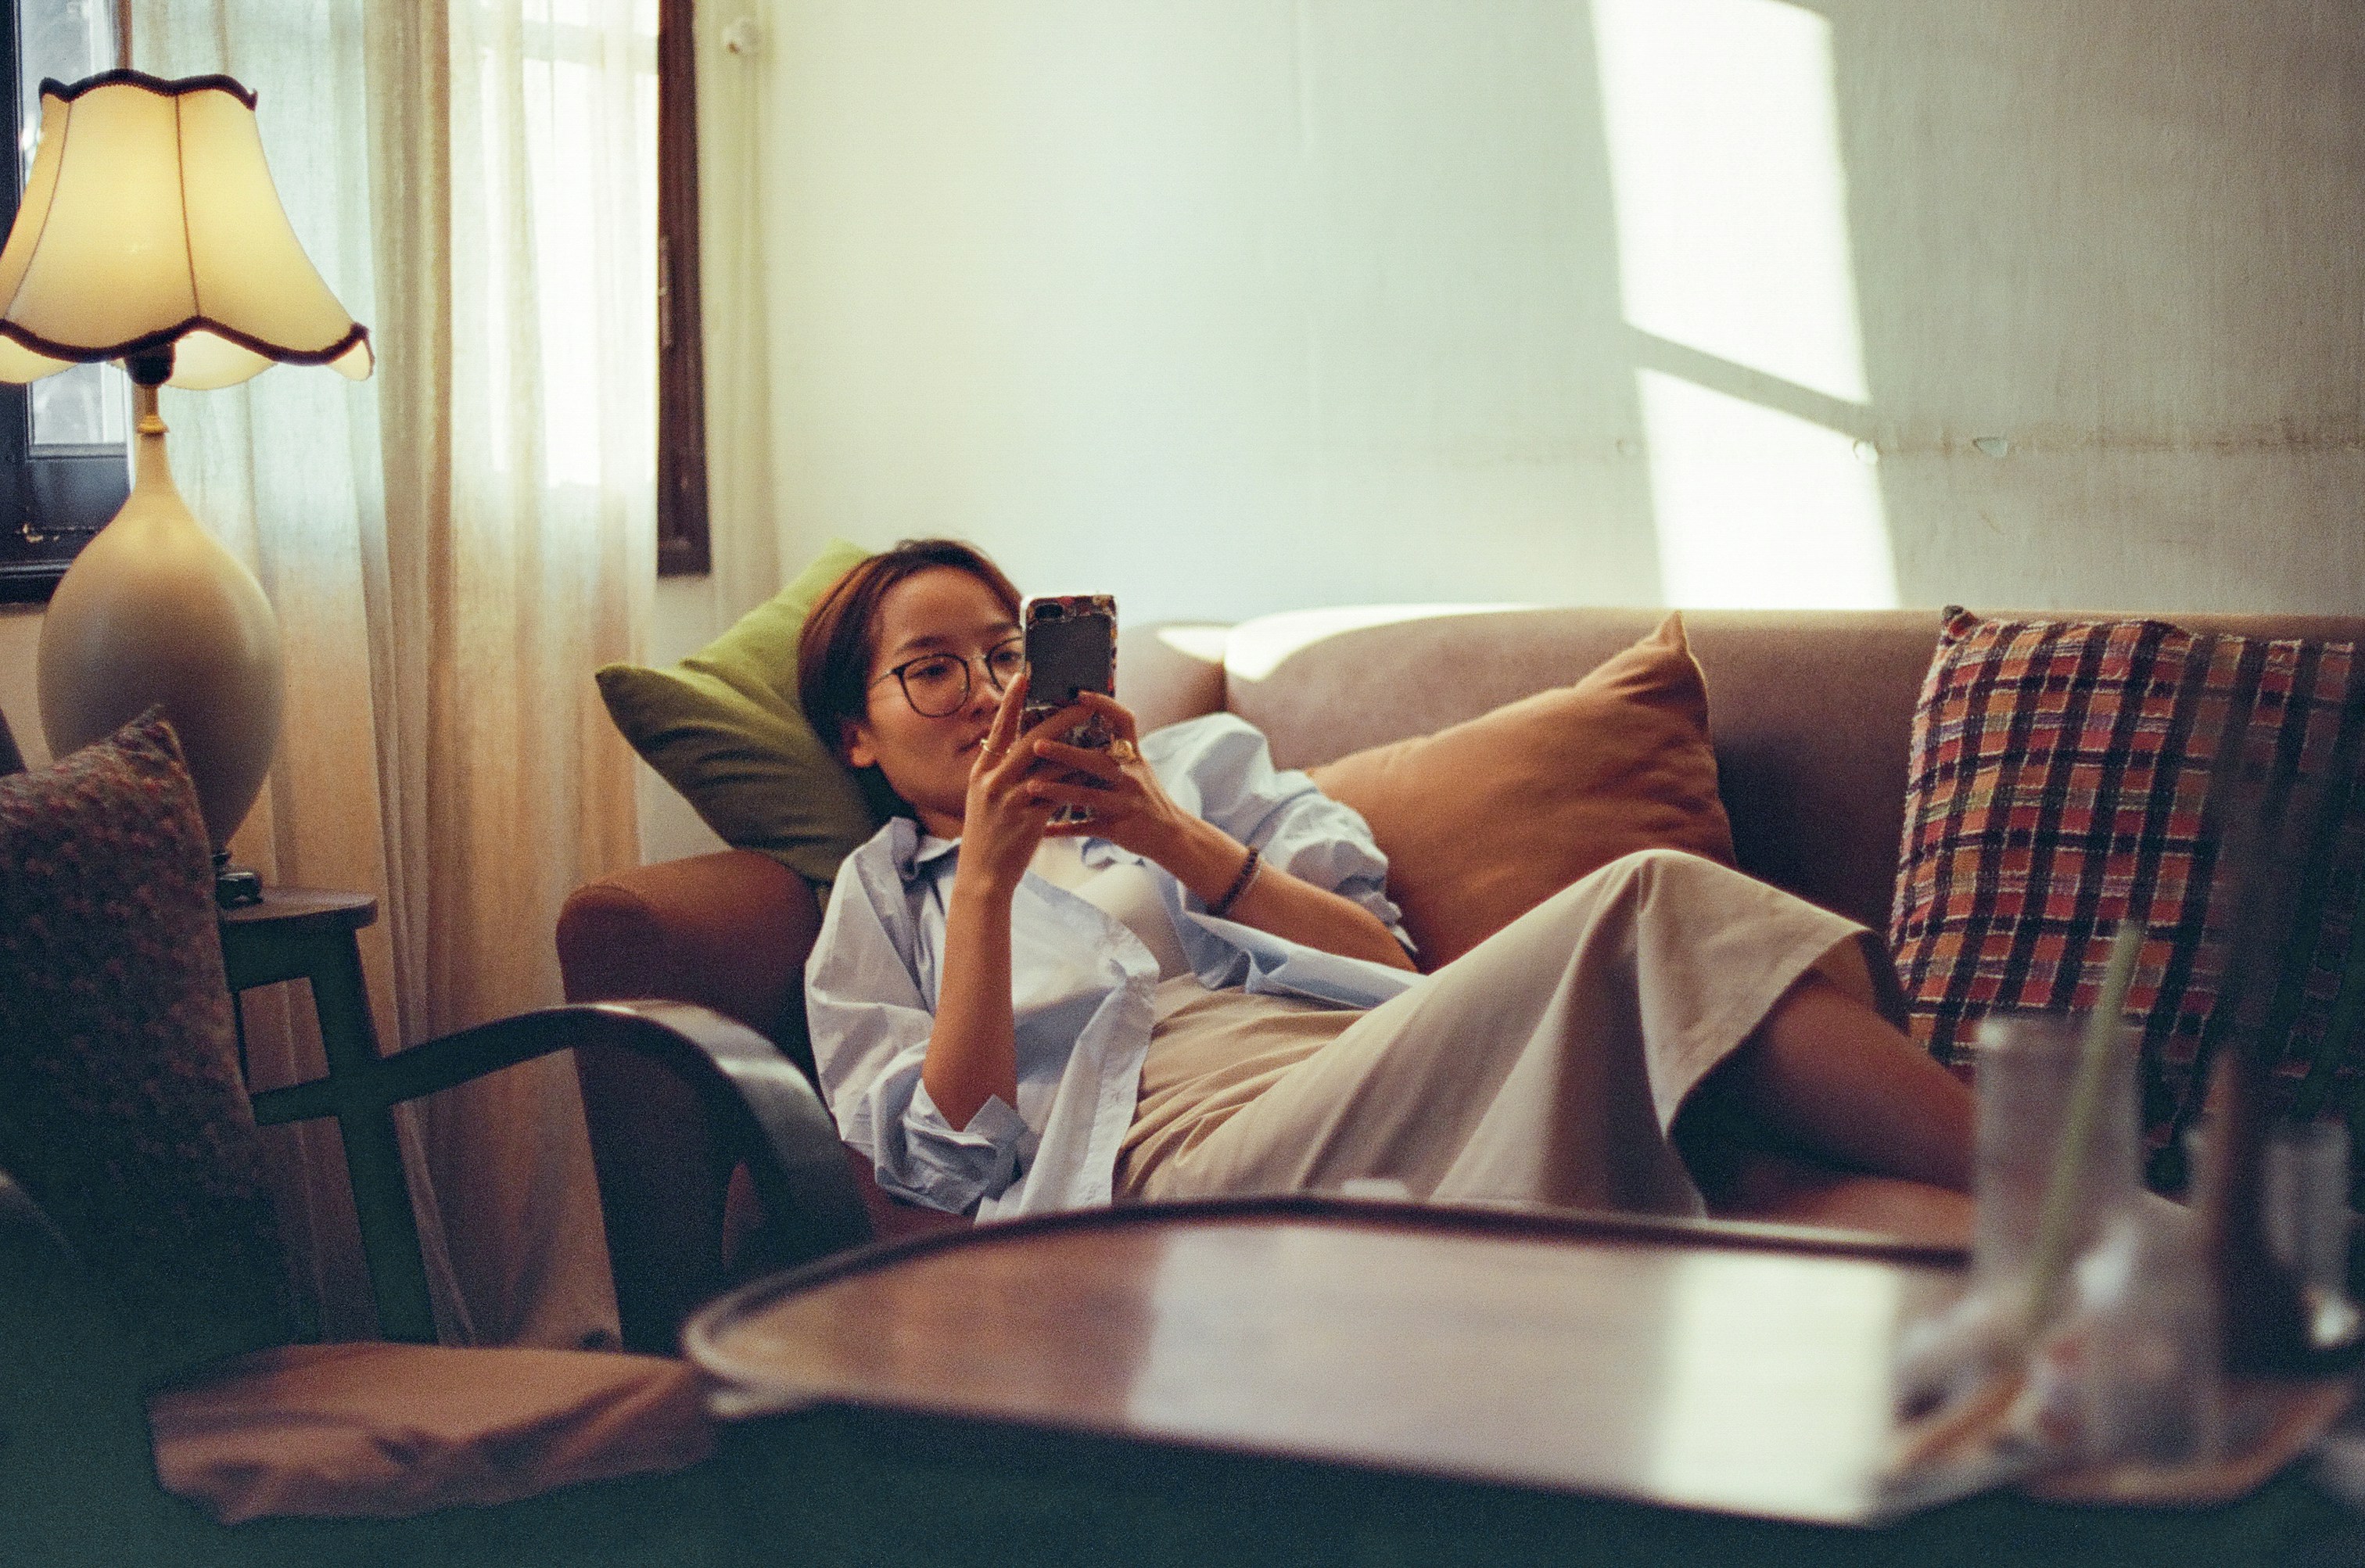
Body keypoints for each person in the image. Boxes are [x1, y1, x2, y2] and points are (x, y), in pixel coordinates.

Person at [798, 539, 1976, 1240]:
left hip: (1385, 1076)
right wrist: (988, 883)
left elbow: (1388, 964)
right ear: (857, 733)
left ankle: (2077, 1249)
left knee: (1754, 1174)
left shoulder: (1201, 768)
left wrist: (1171, 835)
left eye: (1006, 652)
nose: (985, 689)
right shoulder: (882, 902)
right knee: (1654, 902)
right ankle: (2049, 1177)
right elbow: (942, 1162)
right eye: (932, 670)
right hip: (1189, 1168)